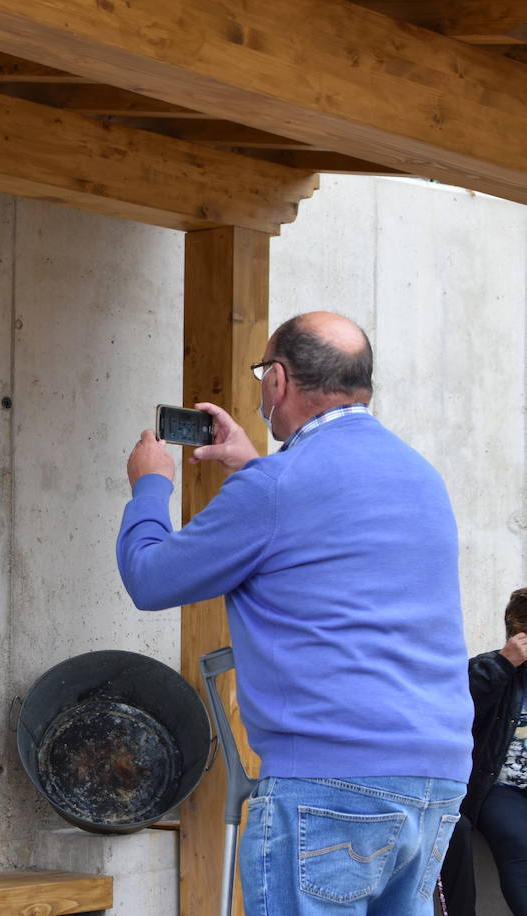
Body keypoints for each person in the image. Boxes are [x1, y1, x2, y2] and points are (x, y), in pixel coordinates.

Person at [116, 311, 473, 914]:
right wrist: (253, 463)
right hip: (434, 781)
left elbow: (150, 578)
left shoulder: (277, 487)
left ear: (277, 381)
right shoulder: (421, 476)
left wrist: (150, 486)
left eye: (262, 374)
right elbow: (318, 536)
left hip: (328, 782)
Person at [442, 588, 527, 915]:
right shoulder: (492, 669)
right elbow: (452, 708)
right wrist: (504, 663)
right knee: (520, 846)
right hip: (502, 789)